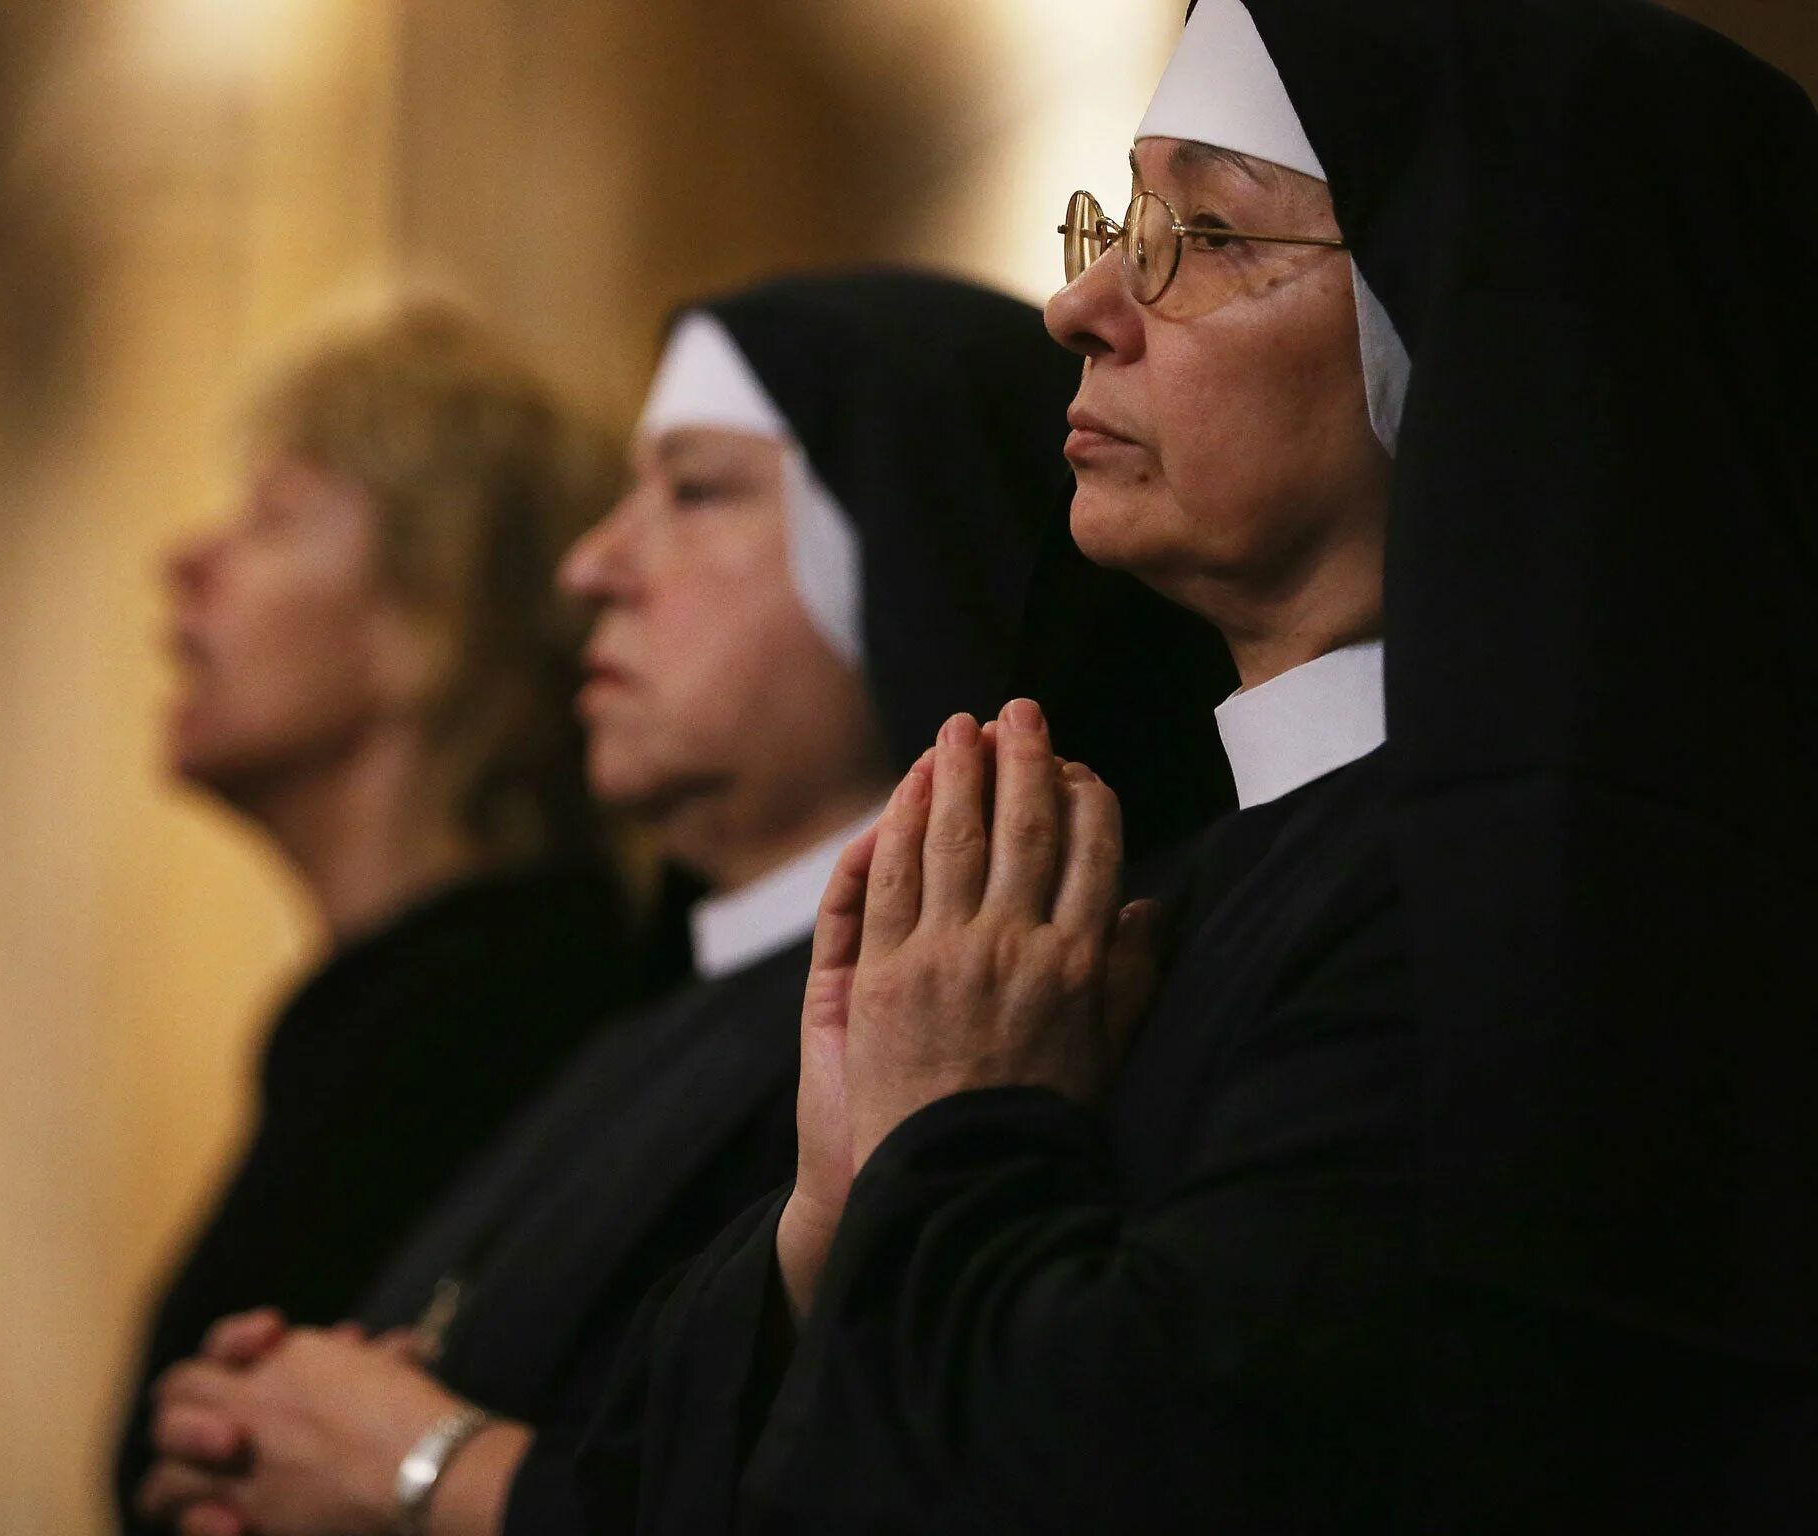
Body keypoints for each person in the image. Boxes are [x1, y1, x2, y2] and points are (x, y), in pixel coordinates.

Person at [582, 2, 1818, 1532]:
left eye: (1213, 232)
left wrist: (945, 1139)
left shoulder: (1548, 920)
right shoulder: (1154, 884)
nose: (1082, 303)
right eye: (1124, 218)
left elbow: (1153, 1460)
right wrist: (834, 1216)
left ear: (1486, 327)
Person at [133, 269, 1237, 1536]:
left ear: (911, 550)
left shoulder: (1004, 1012)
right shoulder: (647, 1020)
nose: (593, 566)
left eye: (696, 489)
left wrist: (412, 1466)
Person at [112, 301, 644, 1533]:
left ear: (433, 614)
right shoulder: (394, 1008)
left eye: (275, 517)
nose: (186, 561)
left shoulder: (505, 1020)